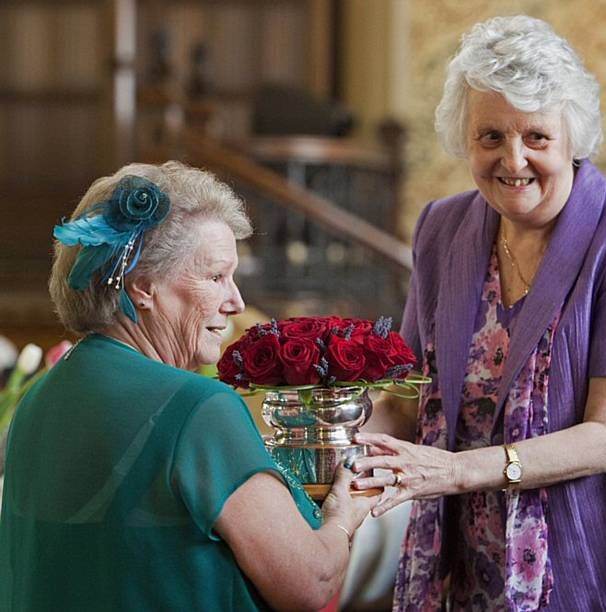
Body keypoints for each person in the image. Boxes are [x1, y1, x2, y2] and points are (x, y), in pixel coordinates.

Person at [348, 15, 606, 611]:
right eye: (490, 137)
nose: (514, 160)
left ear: (571, 138)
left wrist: (455, 471)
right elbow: (409, 400)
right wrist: (333, 438)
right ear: (466, 139)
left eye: (536, 137)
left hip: (583, 561)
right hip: (464, 565)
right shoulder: (442, 227)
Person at [0, 161, 378, 611]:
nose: (236, 301)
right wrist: (342, 516)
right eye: (216, 276)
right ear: (142, 286)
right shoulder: (198, 408)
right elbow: (310, 581)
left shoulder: (37, 399)